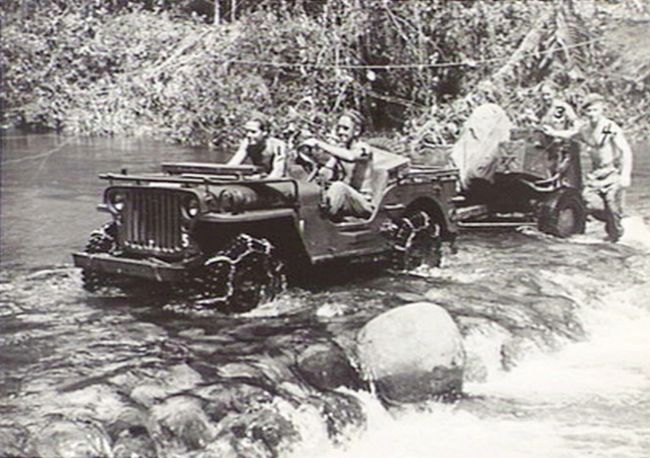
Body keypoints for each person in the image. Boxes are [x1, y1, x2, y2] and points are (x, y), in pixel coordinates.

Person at [543, 93, 633, 242]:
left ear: (602, 110)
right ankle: (612, 223)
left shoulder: (607, 128)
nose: (592, 115)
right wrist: (553, 132)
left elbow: (625, 150)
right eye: (589, 111)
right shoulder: (585, 130)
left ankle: (616, 234)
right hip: (595, 174)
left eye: (595, 110)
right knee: (586, 201)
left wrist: (625, 174)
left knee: (611, 203)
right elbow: (572, 135)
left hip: (612, 172)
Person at [301, 110, 374, 221]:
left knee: (338, 186)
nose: (340, 132)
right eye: (338, 128)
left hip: (362, 202)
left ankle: (320, 220)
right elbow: (325, 175)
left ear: (356, 131)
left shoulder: (364, 149)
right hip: (345, 199)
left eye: (345, 128)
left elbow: (351, 157)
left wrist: (320, 143)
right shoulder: (341, 149)